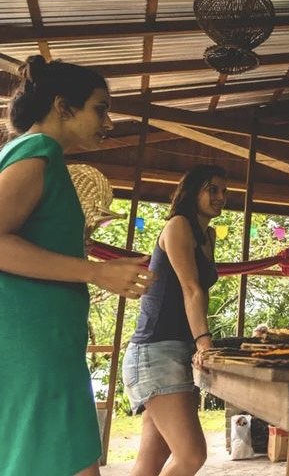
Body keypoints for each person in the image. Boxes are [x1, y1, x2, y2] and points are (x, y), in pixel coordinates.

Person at [0, 55, 154, 476]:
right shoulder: (39, 149)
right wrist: (95, 271)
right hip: (33, 344)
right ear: (62, 106)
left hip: (43, 341)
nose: (108, 122)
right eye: (100, 107)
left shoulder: (30, 154)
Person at [123, 164, 227, 476]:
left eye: (224, 191)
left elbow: (200, 293)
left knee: (150, 462)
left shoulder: (207, 235)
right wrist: (204, 343)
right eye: (213, 190)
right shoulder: (178, 225)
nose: (221, 197)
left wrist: (196, 344)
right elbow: (190, 288)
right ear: (192, 192)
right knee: (192, 455)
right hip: (155, 352)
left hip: (178, 350)